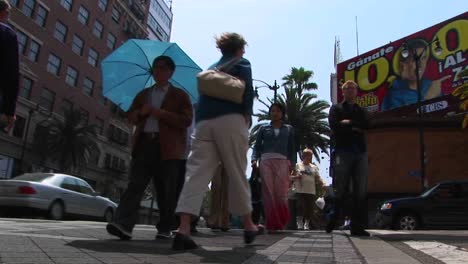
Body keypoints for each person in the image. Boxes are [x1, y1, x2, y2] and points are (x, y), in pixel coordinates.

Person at [173, 32, 257, 250]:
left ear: (221, 49)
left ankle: (183, 228)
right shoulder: (242, 62)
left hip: (203, 123)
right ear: (240, 49)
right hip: (231, 120)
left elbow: (201, 99)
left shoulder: (210, 68)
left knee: (196, 174)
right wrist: (246, 115)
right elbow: (247, 91)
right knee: (237, 171)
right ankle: (249, 225)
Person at [106, 56, 193, 240]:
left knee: (165, 190)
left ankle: (165, 227)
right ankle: (123, 224)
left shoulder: (180, 95)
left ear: (170, 72)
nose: (157, 71)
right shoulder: (144, 94)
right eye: (155, 68)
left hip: (169, 148)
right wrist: (140, 112)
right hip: (145, 143)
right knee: (135, 184)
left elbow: (186, 120)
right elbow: (131, 116)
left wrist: (159, 113)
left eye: (162, 68)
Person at [327, 80, 370, 236]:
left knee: (360, 190)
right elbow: (334, 126)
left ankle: (357, 226)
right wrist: (354, 127)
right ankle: (333, 218)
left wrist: (348, 123)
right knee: (341, 188)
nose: (351, 91)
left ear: (356, 92)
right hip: (342, 151)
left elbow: (367, 124)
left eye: (353, 88)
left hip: (360, 152)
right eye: (348, 88)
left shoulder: (361, 109)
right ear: (343, 91)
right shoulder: (336, 109)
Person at [252, 103, 296, 233]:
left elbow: (292, 148)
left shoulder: (288, 129)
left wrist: (293, 164)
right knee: (268, 193)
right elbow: (257, 146)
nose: (275, 113)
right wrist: (254, 159)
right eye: (272, 111)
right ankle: (271, 223)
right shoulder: (263, 129)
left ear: (282, 113)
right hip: (266, 161)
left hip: (282, 161)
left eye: (277, 111)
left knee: (281, 193)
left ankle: (281, 220)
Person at [381, 38, 450, 111]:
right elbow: (398, 120)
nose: (420, 65)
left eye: (423, 58)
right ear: (403, 65)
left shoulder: (430, 85)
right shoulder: (394, 95)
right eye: (414, 60)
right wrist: (428, 98)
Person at [0, 0, 20, 132]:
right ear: (3, 13)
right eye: (8, 13)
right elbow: (12, 74)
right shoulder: (8, 34)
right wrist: (10, 111)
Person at [291, 148, 320, 230]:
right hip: (300, 190)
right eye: (307, 155)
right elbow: (290, 177)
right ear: (303, 156)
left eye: (310, 155)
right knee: (299, 206)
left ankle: (306, 224)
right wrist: (297, 176)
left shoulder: (314, 167)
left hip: (311, 190)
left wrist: (321, 184)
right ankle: (299, 223)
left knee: (309, 208)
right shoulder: (297, 165)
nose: (309, 157)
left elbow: (318, 177)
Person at [207, 164, 230, 231]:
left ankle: (225, 222)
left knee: (227, 190)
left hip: (230, 159)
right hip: (216, 158)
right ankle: (215, 220)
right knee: (216, 186)